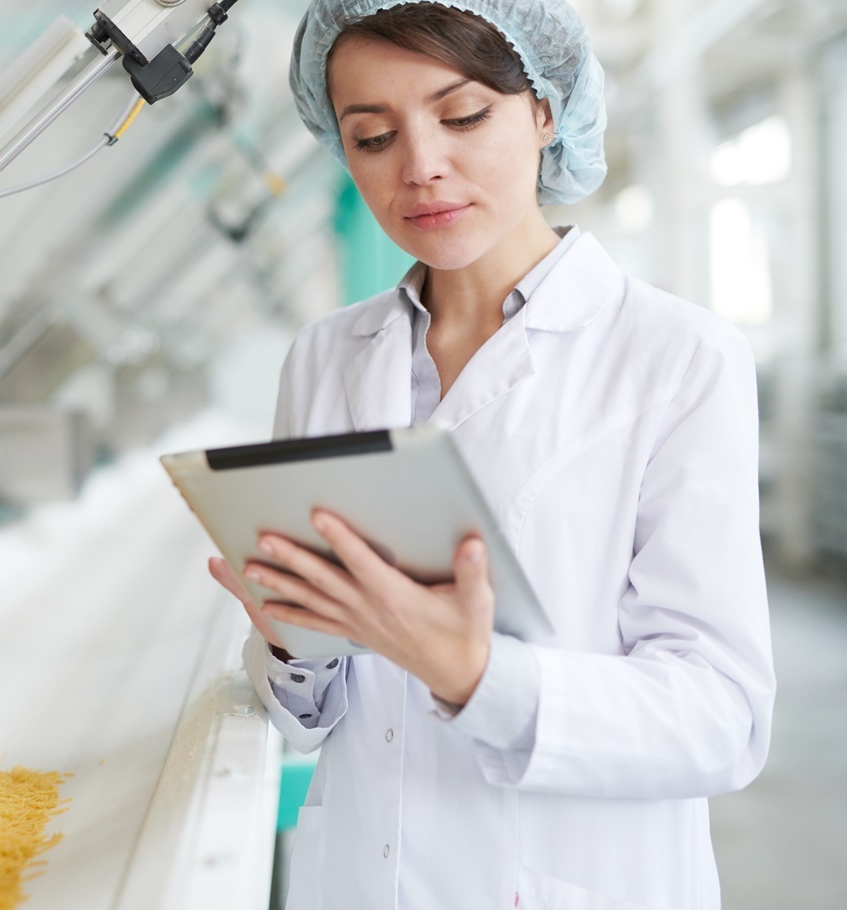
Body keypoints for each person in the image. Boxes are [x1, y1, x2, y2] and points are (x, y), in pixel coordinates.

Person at [207, 2, 776, 907]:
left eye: (463, 116)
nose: (420, 166)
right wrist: (289, 643)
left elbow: (722, 718)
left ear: (545, 109)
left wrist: (476, 678)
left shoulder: (677, 358)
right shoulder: (324, 357)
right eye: (371, 137)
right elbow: (308, 721)